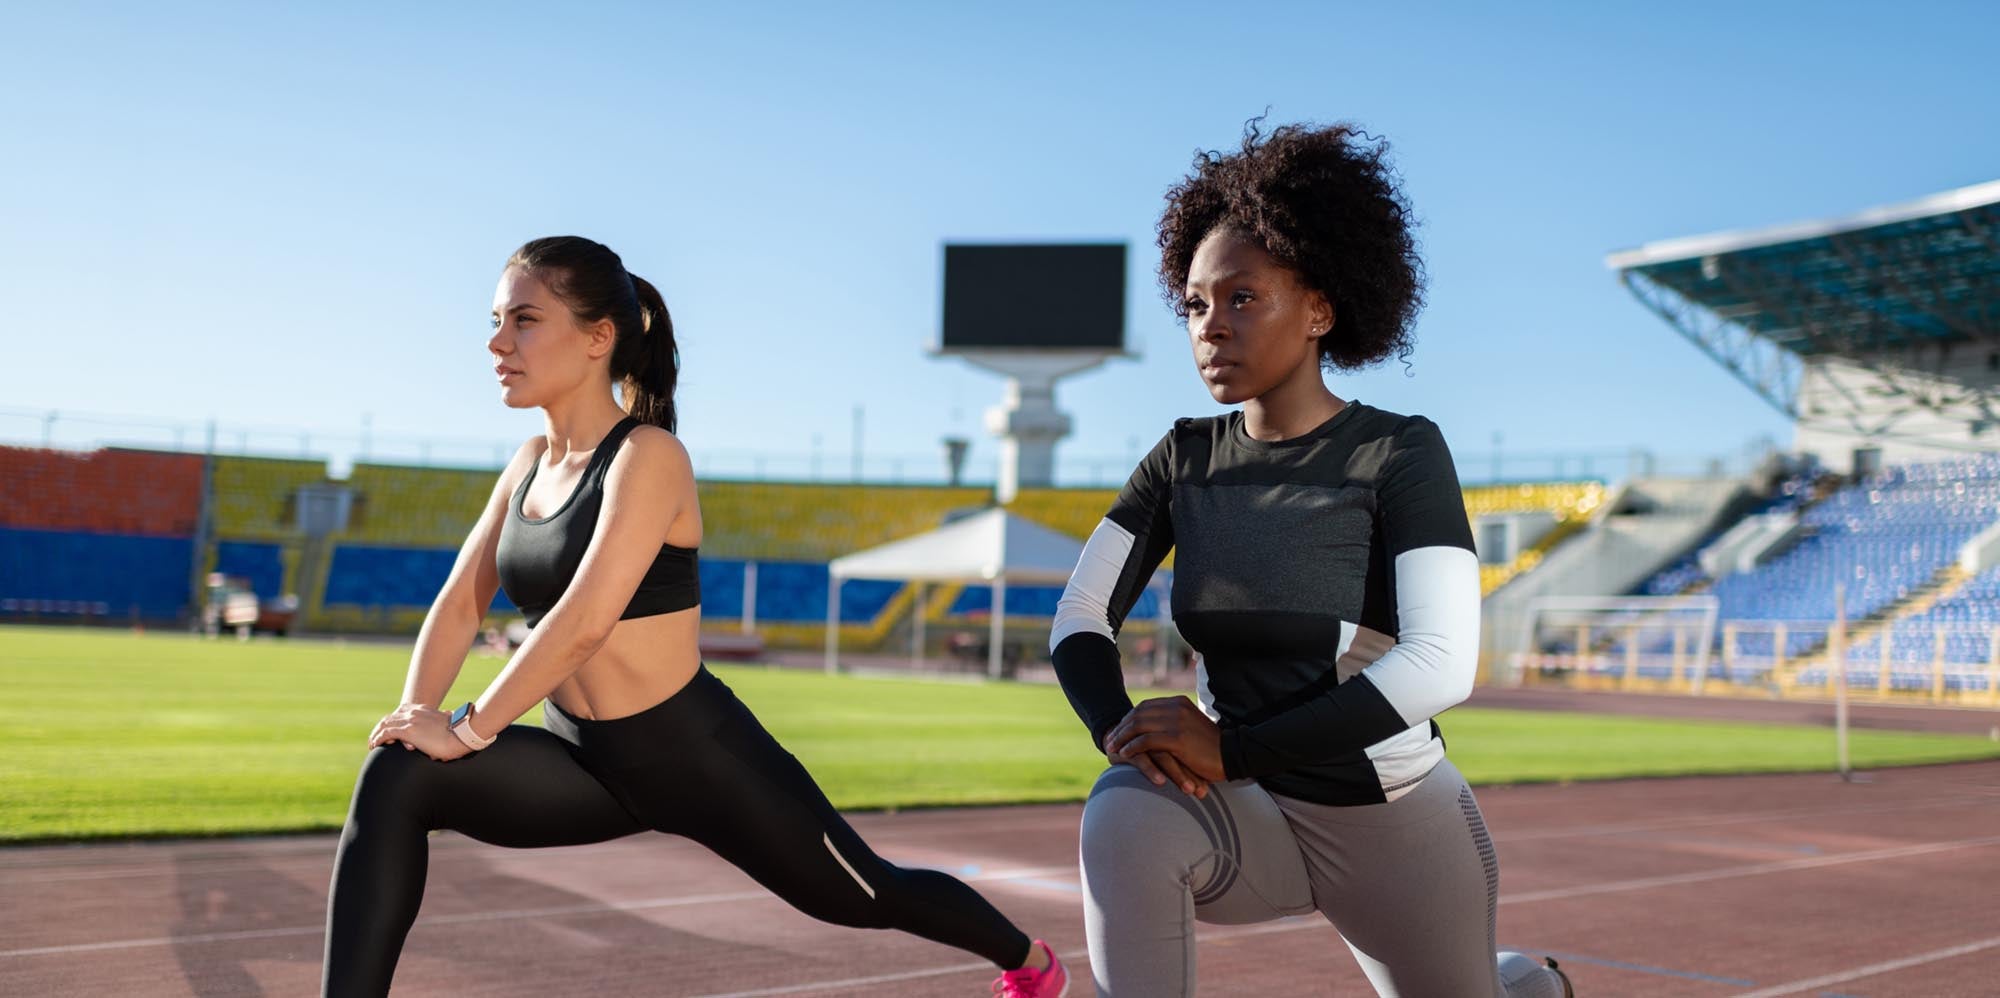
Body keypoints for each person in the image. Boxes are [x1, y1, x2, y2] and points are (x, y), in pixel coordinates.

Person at [323, 236, 1069, 997]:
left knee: (865, 893)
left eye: (523, 320)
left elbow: (584, 621)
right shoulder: (526, 464)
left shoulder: (648, 456)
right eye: (495, 320)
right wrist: (417, 712)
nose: (496, 343)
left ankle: (1028, 961)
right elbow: (458, 603)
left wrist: (466, 728)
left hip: (698, 759)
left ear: (597, 338)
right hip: (585, 765)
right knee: (397, 775)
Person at [1048, 122, 1572, 997]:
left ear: (1320, 310)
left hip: (1391, 823)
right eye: (1194, 304)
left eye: (1242, 298)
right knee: (1125, 815)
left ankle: (1530, 987)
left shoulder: (1398, 453)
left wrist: (1235, 748)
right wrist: (1122, 730)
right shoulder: (1184, 457)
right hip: (1244, 812)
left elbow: (1443, 665)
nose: (1211, 327)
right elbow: (1078, 616)